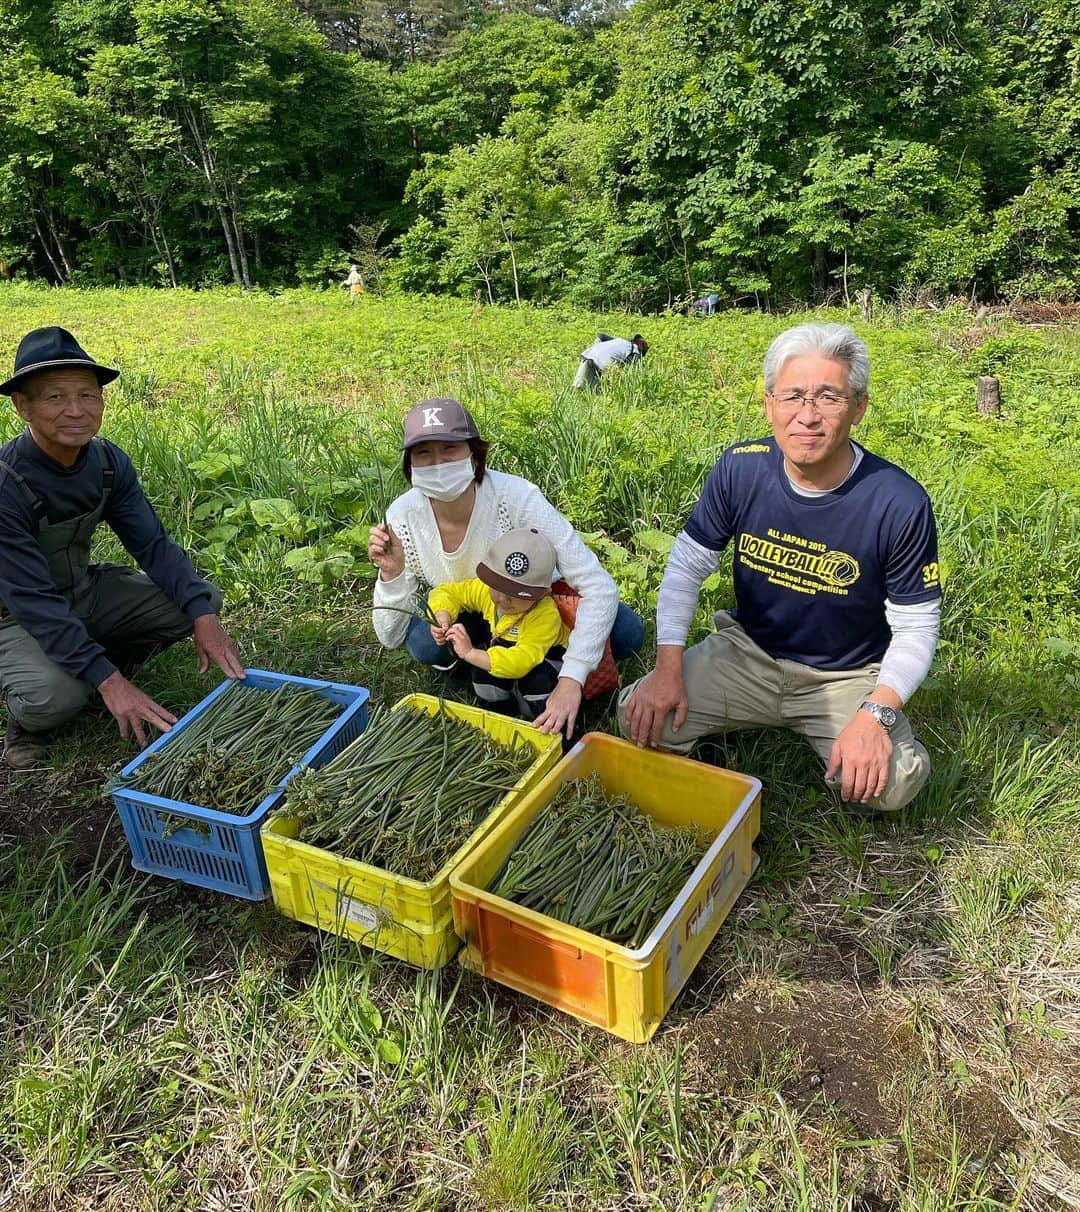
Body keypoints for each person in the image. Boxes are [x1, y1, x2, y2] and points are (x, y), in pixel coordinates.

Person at [620, 322, 941, 813]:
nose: (806, 416)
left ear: (858, 407)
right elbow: (686, 568)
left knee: (891, 785)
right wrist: (667, 669)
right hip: (748, 654)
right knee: (637, 717)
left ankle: (861, 741)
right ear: (769, 404)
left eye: (828, 397)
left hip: (845, 675)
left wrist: (876, 714)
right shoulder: (741, 469)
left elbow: (917, 626)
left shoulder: (898, 501)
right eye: (792, 396)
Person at [0, 327, 244, 770]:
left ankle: (95, 667)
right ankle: (30, 720)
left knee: (199, 600)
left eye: (88, 395)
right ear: (23, 406)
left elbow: (152, 544)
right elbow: (32, 600)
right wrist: (110, 682)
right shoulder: (6, 484)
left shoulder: (108, 463)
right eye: (55, 397)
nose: (76, 410)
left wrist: (204, 619)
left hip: (81, 590)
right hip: (16, 616)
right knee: (57, 696)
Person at [367, 398, 645, 738]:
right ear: (409, 464)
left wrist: (573, 678)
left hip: (535, 605)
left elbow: (598, 586)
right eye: (424, 453)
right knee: (424, 643)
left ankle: (532, 658)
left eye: (450, 449)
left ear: (474, 453)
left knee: (626, 632)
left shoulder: (517, 497)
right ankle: (480, 657)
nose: (438, 463)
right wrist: (392, 573)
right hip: (470, 605)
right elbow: (389, 636)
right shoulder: (403, 515)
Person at [427, 528, 570, 720]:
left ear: (542, 592)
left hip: (543, 662)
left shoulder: (544, 614)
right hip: (503, 656)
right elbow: (448, 592)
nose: (502, 599)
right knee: (482, 671)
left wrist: (471, 654)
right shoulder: (486, 591)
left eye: (516, 594)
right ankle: (499, 716)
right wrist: (442, 614)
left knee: (536, 683)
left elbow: (522, 660)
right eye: (498, 586)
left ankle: (538, 719)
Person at [572, 333, 648, 389]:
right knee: (603, 388)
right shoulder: (635, 350)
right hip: (603, 364)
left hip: (587, 355)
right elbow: (639, 371)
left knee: (579, 388)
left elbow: (601, 335)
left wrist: (596, 348)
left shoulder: (619, 341)